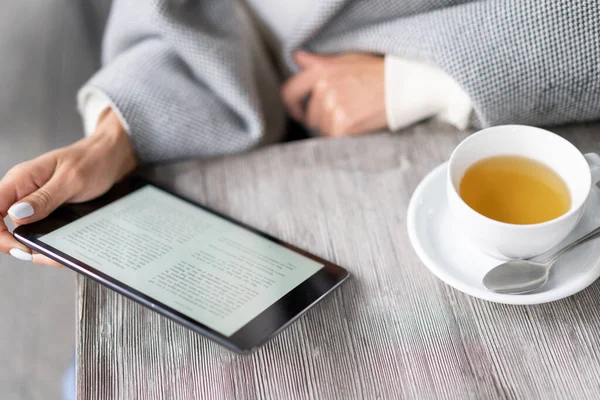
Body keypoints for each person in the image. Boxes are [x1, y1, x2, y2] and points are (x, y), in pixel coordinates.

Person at [2, 0, 599, 266]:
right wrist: (115, 137)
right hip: (243, 112)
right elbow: (188, 10)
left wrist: (418, 83)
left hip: (503, 105)